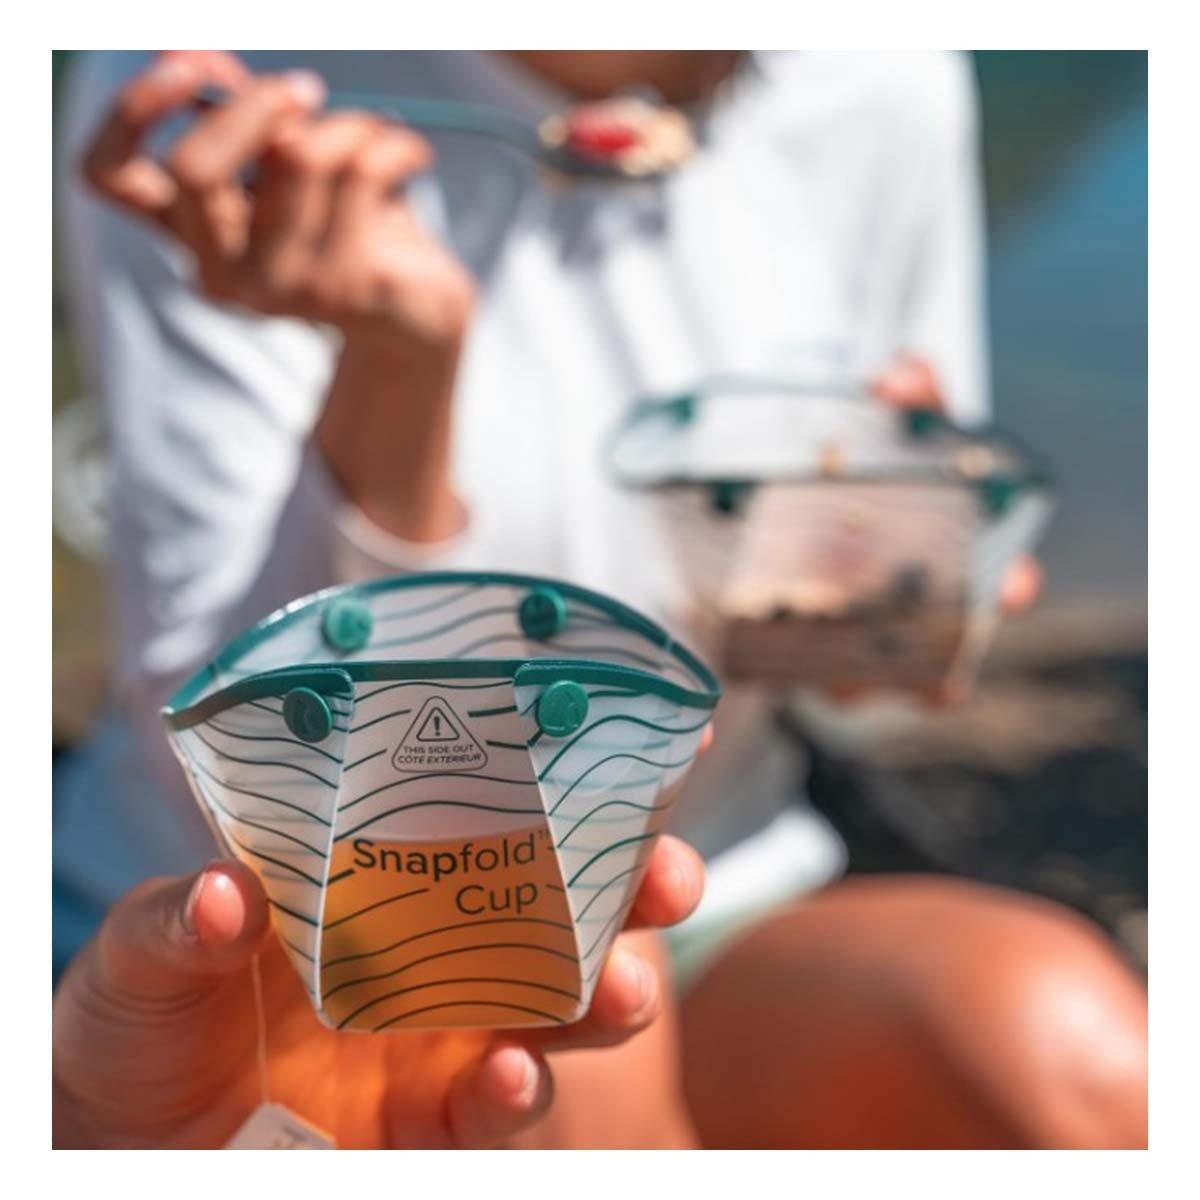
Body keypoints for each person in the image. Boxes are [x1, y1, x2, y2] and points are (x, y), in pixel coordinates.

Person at [55, 50, 1145, 1147]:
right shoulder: (227, 108)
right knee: (557, 1058)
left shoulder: (877, 74)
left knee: (1080, 1063)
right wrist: (396, 364)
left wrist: (889, 603)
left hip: (718, 874)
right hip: (280, 941)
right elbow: (234, 768)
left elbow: (865, 665)